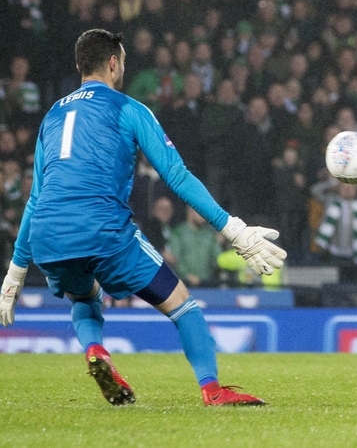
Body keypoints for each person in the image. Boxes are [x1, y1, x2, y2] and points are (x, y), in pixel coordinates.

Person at [0, 30, 286, 406]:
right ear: (114, 62)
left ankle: (96, 350)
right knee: (183, 305)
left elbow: (36, 198)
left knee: (84, 297)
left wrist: (15, 273)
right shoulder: (128, 108)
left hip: (48, 236)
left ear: (79, 65)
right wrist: (233, 227)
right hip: (102, 228)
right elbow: (176, 175)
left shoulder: (52, 116)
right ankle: (212, 389)